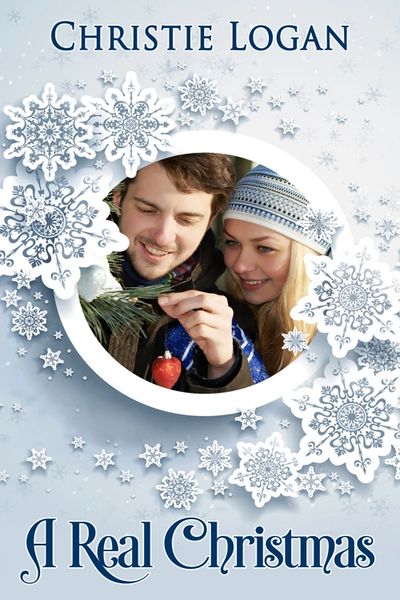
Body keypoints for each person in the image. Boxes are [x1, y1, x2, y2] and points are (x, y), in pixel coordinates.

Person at [108, 153, 268, 392]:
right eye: (147, 210)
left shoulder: (233, 327)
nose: (162, 236)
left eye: (186, 220)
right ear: (118, 199)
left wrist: (224, 371)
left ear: (210, 220)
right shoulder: (58, 284)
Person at [222, 165, 330, 375]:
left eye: (265, 248)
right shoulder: (226, 321)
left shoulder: (332, 351)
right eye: (232, 242)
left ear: (307, 255)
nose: (240, 266)